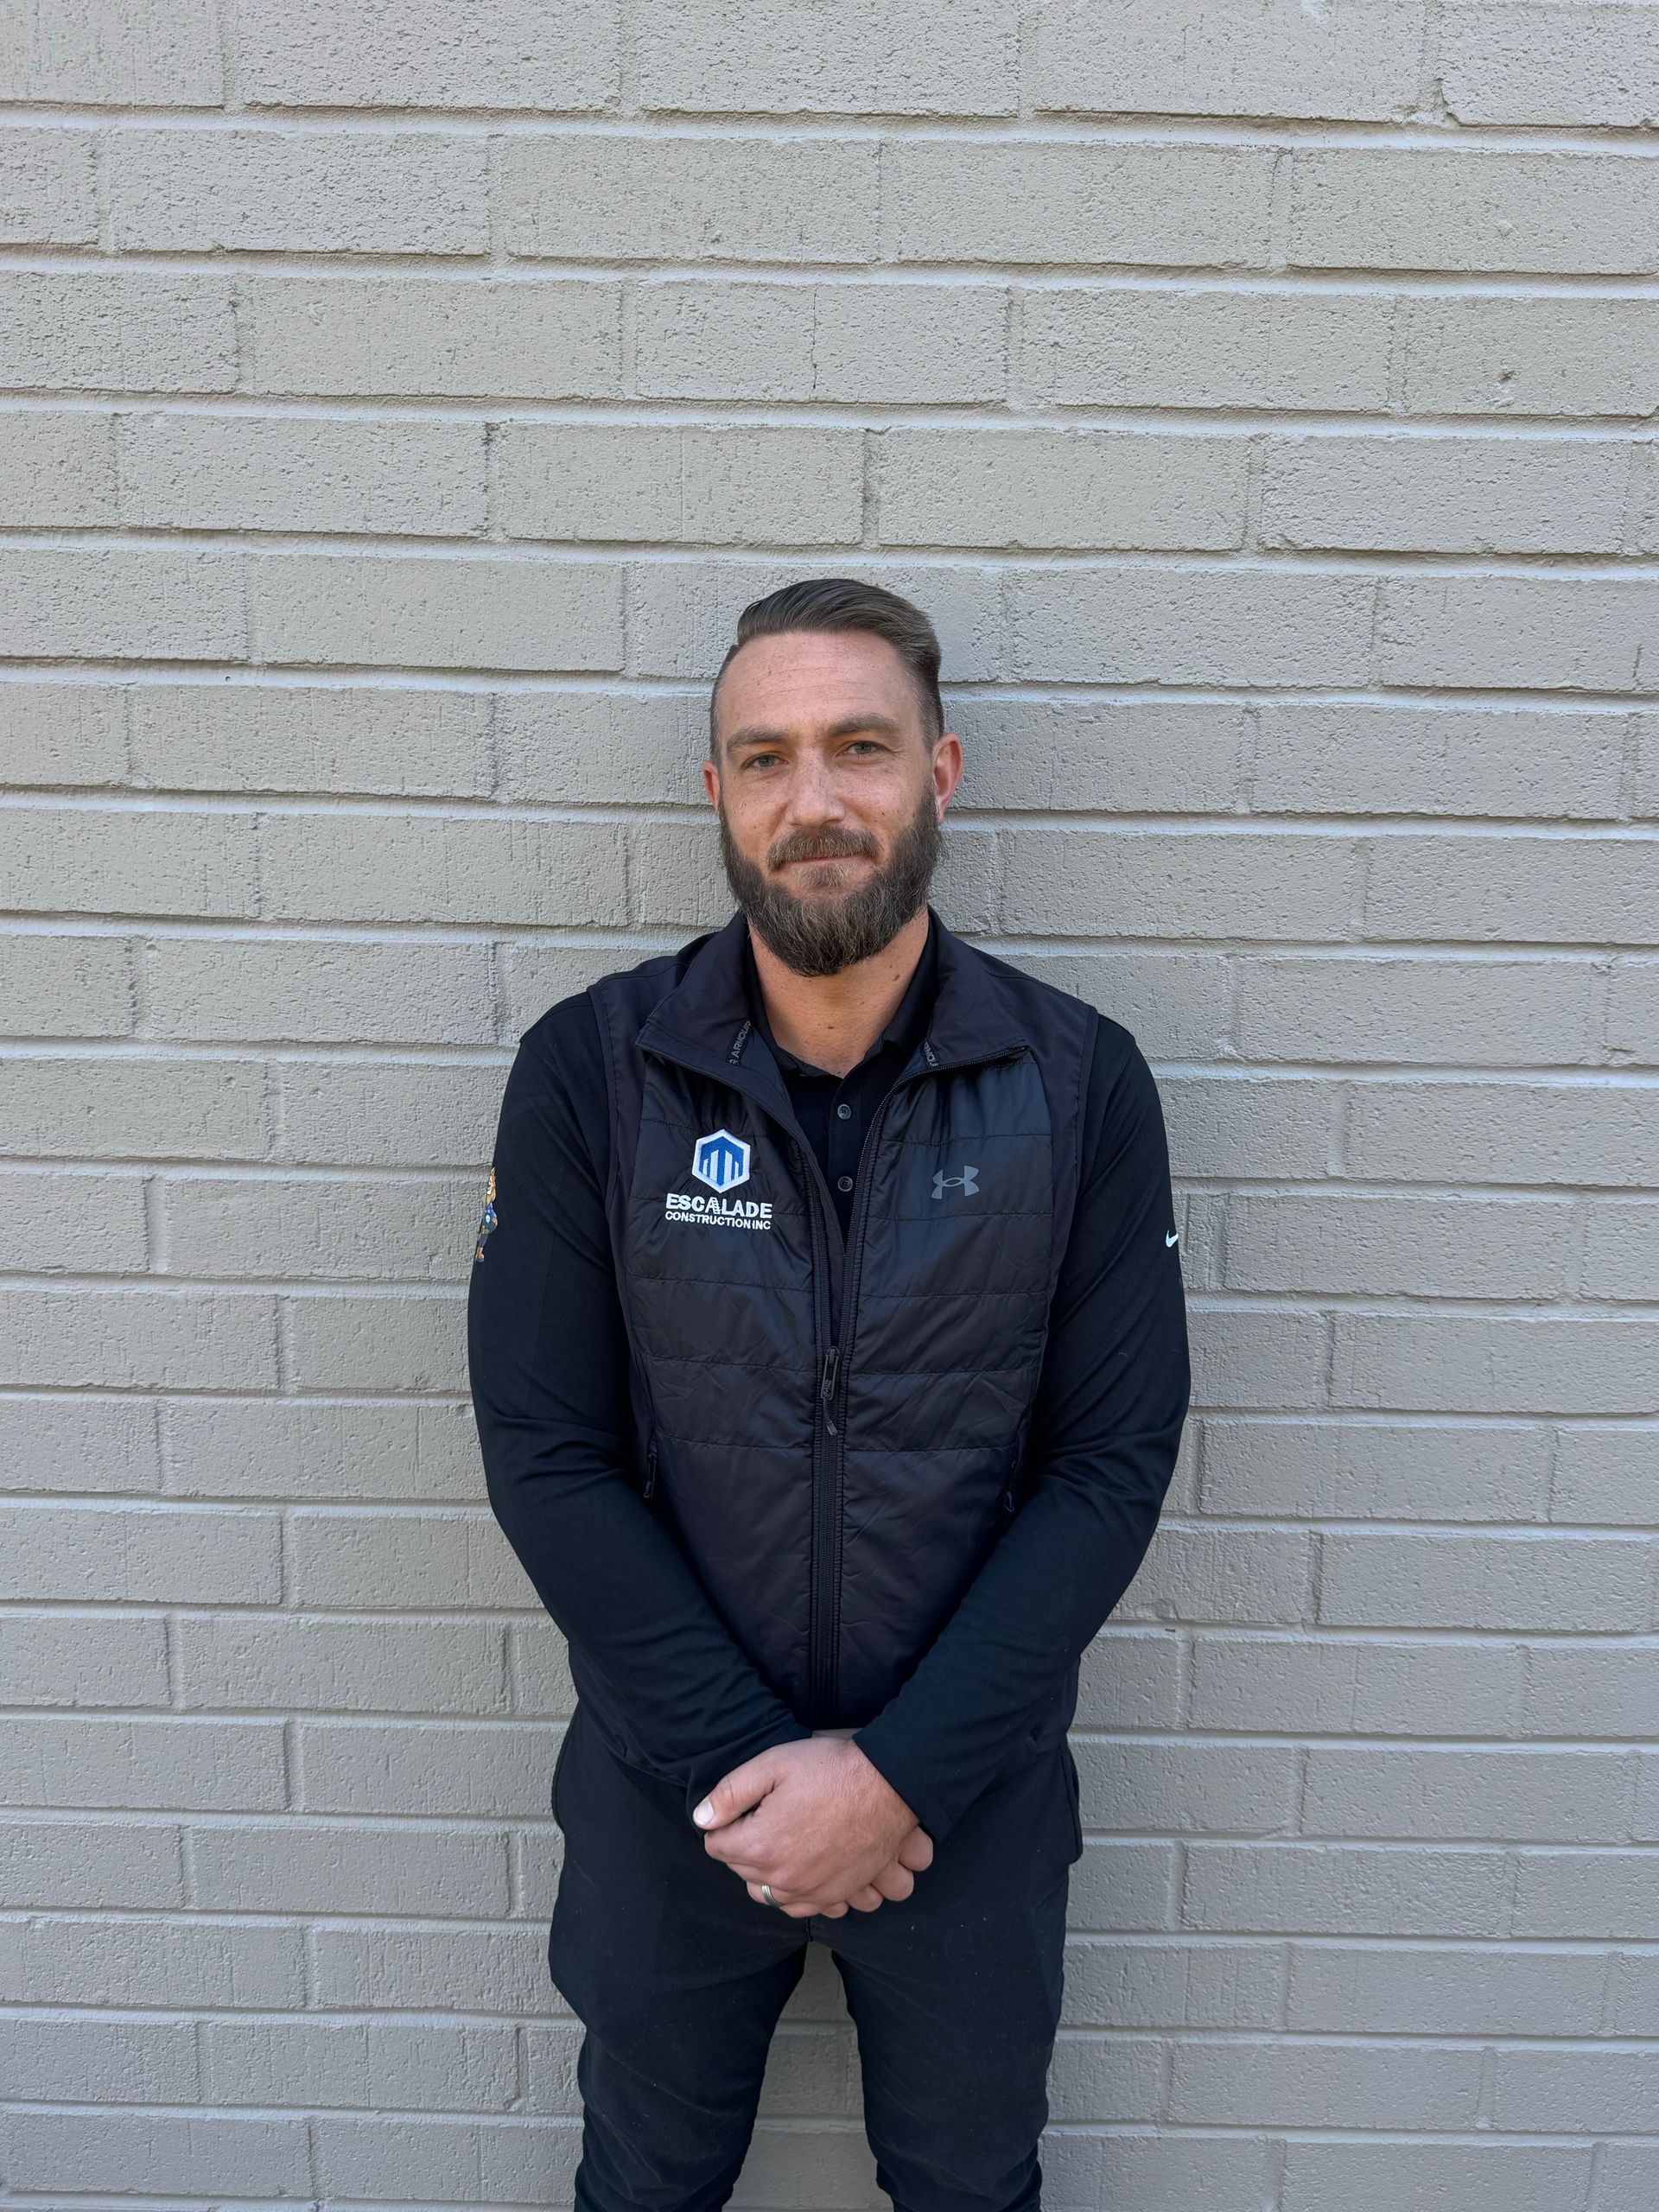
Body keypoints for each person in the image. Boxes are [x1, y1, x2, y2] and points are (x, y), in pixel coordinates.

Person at [467, 578, 1190, 2212]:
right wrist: (752, 1776)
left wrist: (898, 1780)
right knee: (644, 2182)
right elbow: (549, 1452)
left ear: (941, 772)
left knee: (968, 2183)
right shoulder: (593, 1071)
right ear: (716, 794)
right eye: (767, 756)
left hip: (967, 1809)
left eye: (860, 748)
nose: (817, 802)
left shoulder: (1080, 1083)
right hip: (675, 1803)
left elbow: (1111, 1460)